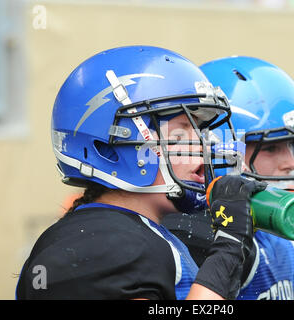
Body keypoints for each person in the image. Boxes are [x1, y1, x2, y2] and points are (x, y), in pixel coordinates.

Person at [15, 46, 266, 300]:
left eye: (201, 133)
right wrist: (228, 249)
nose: (203, 148)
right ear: (107, 149)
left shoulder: (131, 233)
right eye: (179, 136)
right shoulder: (101, 244)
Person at [162, 56, 294, 300]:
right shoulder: (190, 242)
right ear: (217, 151)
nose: (292, 163)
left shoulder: (279, 238)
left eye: (293, 144)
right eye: (271, 148)